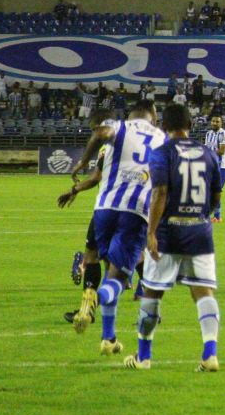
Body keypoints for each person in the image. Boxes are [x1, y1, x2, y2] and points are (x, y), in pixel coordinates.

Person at [122, 104, 223, 371]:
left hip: (169, 232)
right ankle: (209, 353)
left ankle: (143, 357)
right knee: (203, 292)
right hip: (200, 232)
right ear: (191, 124)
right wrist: (201, 215)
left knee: (152, 293)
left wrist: (151, 231)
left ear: (163, 126)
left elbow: (160, 193)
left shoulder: (162, 153)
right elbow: (216, 197)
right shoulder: (209, 154)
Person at [67, 101, 165, 352]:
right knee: (118, 278)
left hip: (104, 208)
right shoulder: (162, 139)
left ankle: (108, 339)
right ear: (152, 115)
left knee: (107, 267)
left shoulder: (119, 126)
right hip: (135, 211)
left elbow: (100, 133)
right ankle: (94, 299)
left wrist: (81, 162)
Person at [57, 108, 114, 324]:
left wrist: (75, 189)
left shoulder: (107, 148)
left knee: (91, 256)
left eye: (93, 130)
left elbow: (96, 178)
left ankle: (87, 309)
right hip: (135, 208)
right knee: (117, 263)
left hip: (107, 207)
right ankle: (151, 306)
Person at [204, 115, 225, 222]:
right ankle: (211, 215)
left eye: (217, 122)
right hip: (210, 166)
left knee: (216, 190)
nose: (215, 123)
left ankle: (217, 216)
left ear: (221, 123)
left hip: (222, 166)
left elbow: (222, 151)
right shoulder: (208, 134)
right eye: (213, 121)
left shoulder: (223, 134)